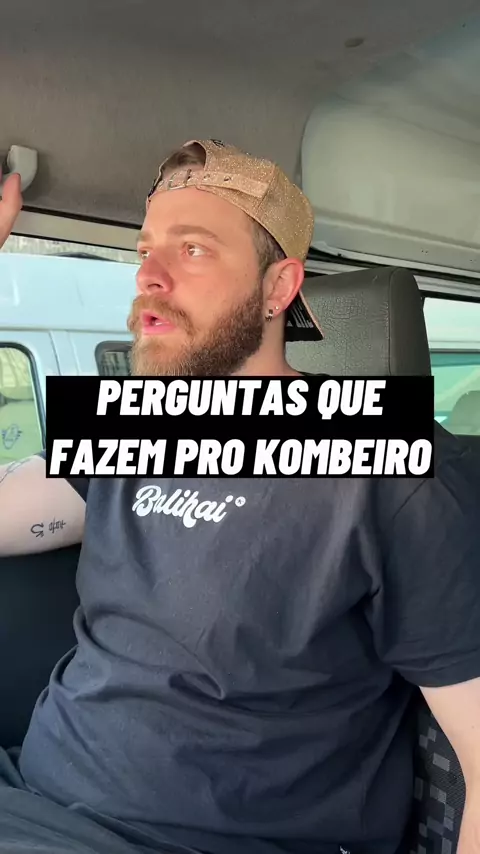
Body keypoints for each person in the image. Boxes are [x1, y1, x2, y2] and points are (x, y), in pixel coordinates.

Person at [0, 141, 479, 854]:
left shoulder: (393, 463)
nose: (149, 276)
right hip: (28, 800)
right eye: (144, 250)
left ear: (279, 288)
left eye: (193, 249)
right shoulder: (127, 420)